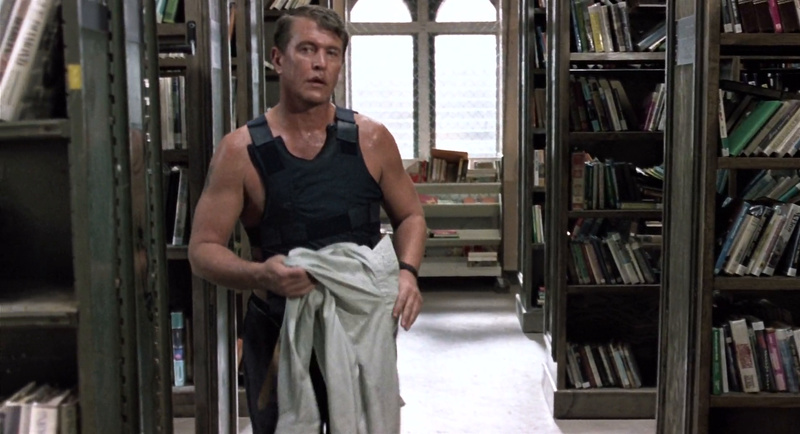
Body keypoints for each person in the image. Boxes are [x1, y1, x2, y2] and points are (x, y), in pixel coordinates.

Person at [187, 5, 427, 433]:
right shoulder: (239, 151)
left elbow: (410, 216)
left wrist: (407, 273)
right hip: (278, 330)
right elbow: (202, 251)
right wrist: (262, 274)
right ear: (278, 59)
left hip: (359, 328)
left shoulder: (372, 139)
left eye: (332, 53)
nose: (320, 63)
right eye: (307, 49)